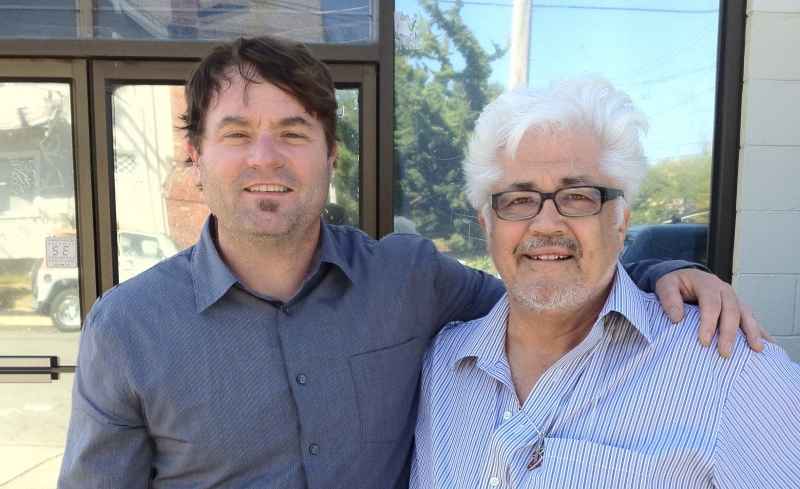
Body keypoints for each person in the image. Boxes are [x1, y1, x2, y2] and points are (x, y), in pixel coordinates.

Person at [58, 37, 765, 489]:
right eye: (237, 133)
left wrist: (658, 275)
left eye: (293, 132)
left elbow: (542, 284)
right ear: (196, 155)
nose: (265, 157)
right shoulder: (127, 328)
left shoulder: (409, 278)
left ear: (331, 157)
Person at [411, 76, 800, 488]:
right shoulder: (442, 365)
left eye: (578, 195)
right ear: (487, 225)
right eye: (518, 199)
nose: (545, 224)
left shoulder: (731, 371)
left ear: (620, 223)